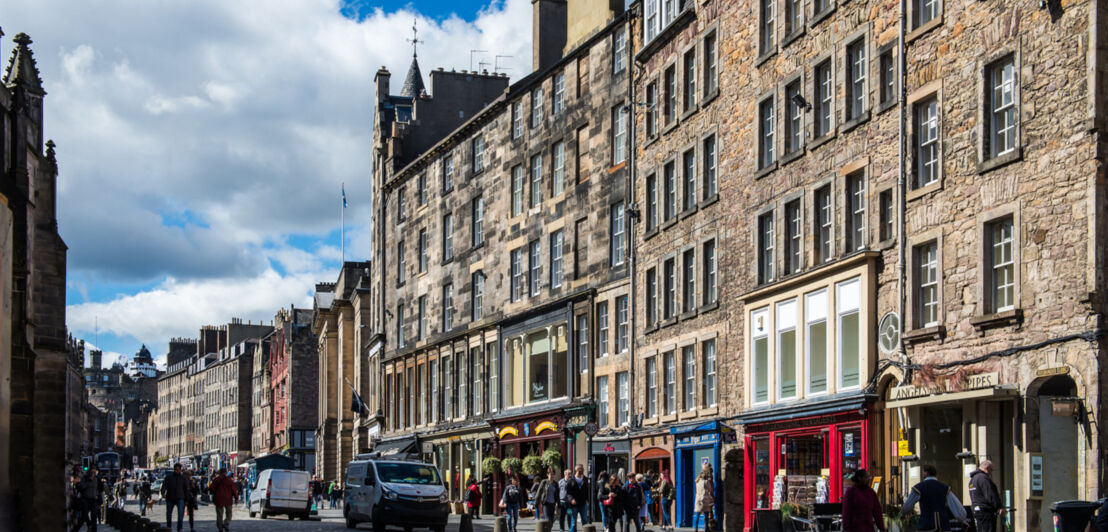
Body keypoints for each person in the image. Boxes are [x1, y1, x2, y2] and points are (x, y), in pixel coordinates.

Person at [900, 464, 969, 531]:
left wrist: (903, 513)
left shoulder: (919, 488)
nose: (922, 473)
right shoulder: (944, 487)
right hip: (943, 524)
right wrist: (962, 519)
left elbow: (908, 505)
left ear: (926, 473)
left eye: (923, 471)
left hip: (926, 524)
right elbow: (954, 504)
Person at [968, 460, 1004, 532]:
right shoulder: (983, 478)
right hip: (986, 512)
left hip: (977, 510)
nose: (991, 473)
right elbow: (990, 495)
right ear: (986, 468)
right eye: (991, 470)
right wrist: (999, 507)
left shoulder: (972, 480)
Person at [161, 463, 189, 532]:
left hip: (180, 498)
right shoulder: (169, 477)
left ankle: (179, 528)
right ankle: (169, 527)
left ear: (180, 470)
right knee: (169, 514)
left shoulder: (183, 478)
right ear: (174, 469)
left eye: (179, 470)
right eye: (176, 470)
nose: (177, 471)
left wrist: (186, 500)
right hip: (170, 497)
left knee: (180, 514)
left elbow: (186, 489)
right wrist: (163, 493)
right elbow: (164, 486)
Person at [564, 464, 589, 531]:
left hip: (583, 503)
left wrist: (587, 499)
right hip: (574, 504)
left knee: (585, 521)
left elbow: (588, 491)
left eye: (583, 468)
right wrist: (571, 499)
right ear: (577, 470)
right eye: (581, 468)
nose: (583, 469)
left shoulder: (586, 480)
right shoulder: (571, 480)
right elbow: (568, 493)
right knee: (573, 522)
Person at [76, 467, 101, 532]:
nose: (93, 474)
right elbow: (81, 487)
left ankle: (94, 530)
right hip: (85, 499)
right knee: (84, 515)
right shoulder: (85, 478)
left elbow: (100, 488)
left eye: (94, 473)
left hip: (94, 500)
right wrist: (88, 481)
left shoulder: (97, 479)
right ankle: (88, 524)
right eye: (92, 473)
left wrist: (98, 497)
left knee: (94, 516)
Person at [694, 466, 715, 532]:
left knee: (697, 514)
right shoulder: (706, 482)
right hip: (704, 499)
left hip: (698, 499)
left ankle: (696, 528)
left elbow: (695, 491)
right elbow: (710, 489)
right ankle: (706, 528)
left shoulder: (697, 481)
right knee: (706, 514)